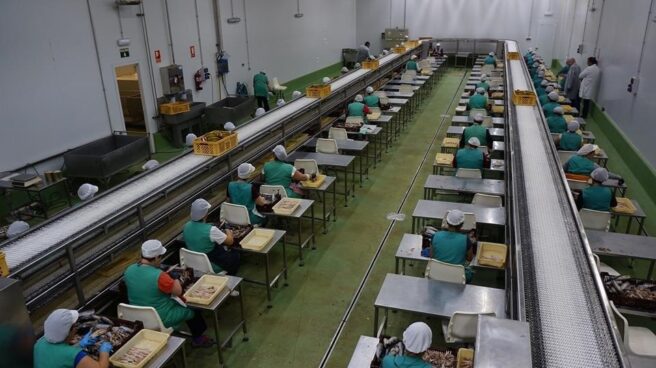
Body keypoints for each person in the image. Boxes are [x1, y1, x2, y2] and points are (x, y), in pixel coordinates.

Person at [124, 240, 214, 348]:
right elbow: (178, 291)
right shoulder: (159, 276)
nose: (161, 260)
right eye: (161, 257)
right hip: (161, 317)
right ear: (156, 257)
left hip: (136, 317)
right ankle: (198, 339)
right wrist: (174, 278)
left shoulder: (129, 270)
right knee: (192, 310)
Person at [33, 309, 112, 368]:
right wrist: (104, 351)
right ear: (68, 332)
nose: (76, 329)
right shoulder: (75, 355)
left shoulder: (39, 344)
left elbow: (57, 355)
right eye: (75, 326)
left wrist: (80, 344)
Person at [182, 199, 238, 274]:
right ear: (205, 214)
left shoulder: (186, 226)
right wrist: (228, 229)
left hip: (194, 264)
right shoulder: (212, 230)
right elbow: (230, 241)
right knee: (235, 255)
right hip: (212, 265)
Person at [429, 209, 475, 283]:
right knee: (470, 273)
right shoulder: (466, 240)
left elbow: (431, 256)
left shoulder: (435, 235)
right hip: (457, 277)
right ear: (462, 225)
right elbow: (469, 258)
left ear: (447, 222)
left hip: (436, 274)